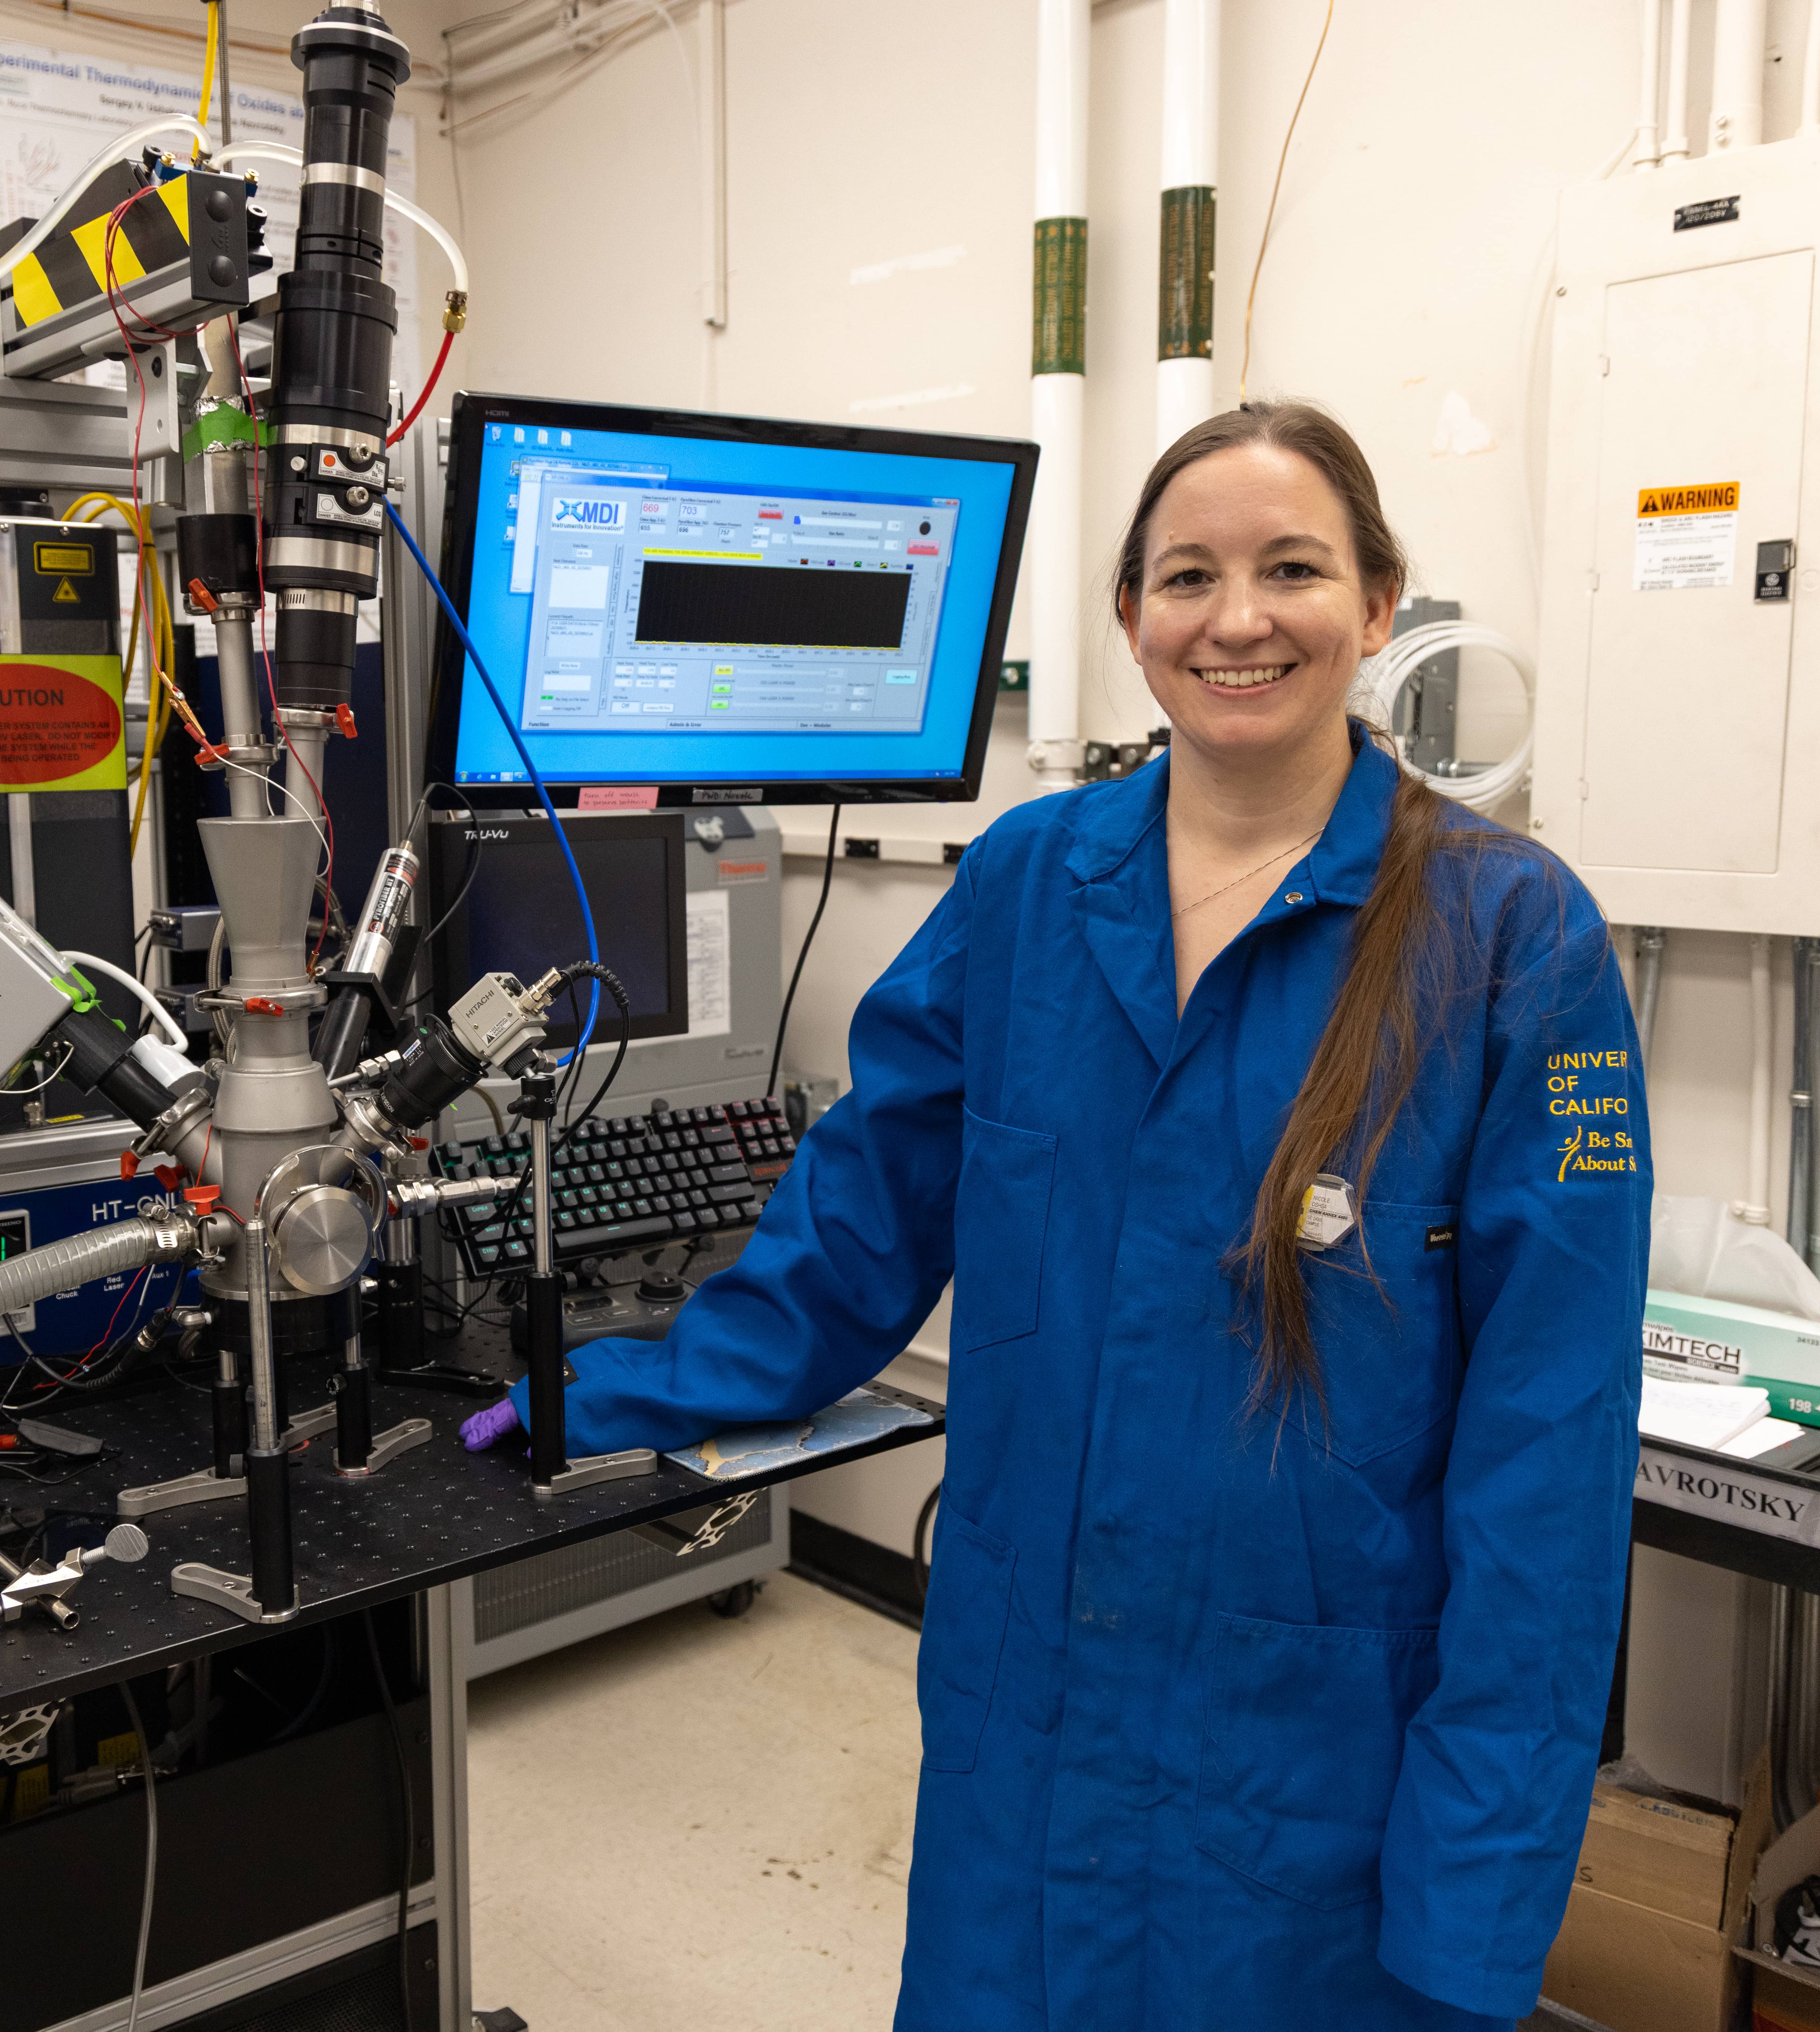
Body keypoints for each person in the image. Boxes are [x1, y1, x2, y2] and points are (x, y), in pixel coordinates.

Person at [462, 401, 1650, 2027]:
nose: (1236, 617)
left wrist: (1470, 1907)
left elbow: (1547, 1468)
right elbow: (851, 1234)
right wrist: (580, 1400)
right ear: (1130, 622)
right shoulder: (1026, 885)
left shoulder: (1510, 936)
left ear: (1376, 607)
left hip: (1310, 1773)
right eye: (1186, 577)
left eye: (1289, 569)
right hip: (1029, 1731)